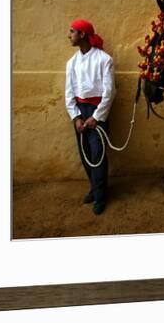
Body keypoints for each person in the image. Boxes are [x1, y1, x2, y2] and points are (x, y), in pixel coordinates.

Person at [65, 19, 115, 215]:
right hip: (80, 111)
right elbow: (69, 92)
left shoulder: (104, 60)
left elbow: (109, 92)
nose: (69, 35)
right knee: (85, 153)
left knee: (97, 155)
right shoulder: (71, 63)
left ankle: (101, 197)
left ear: (83, 34)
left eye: (72, 32)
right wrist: (76, 117)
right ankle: (95, 189)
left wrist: (97, 117)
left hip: (97, 112)